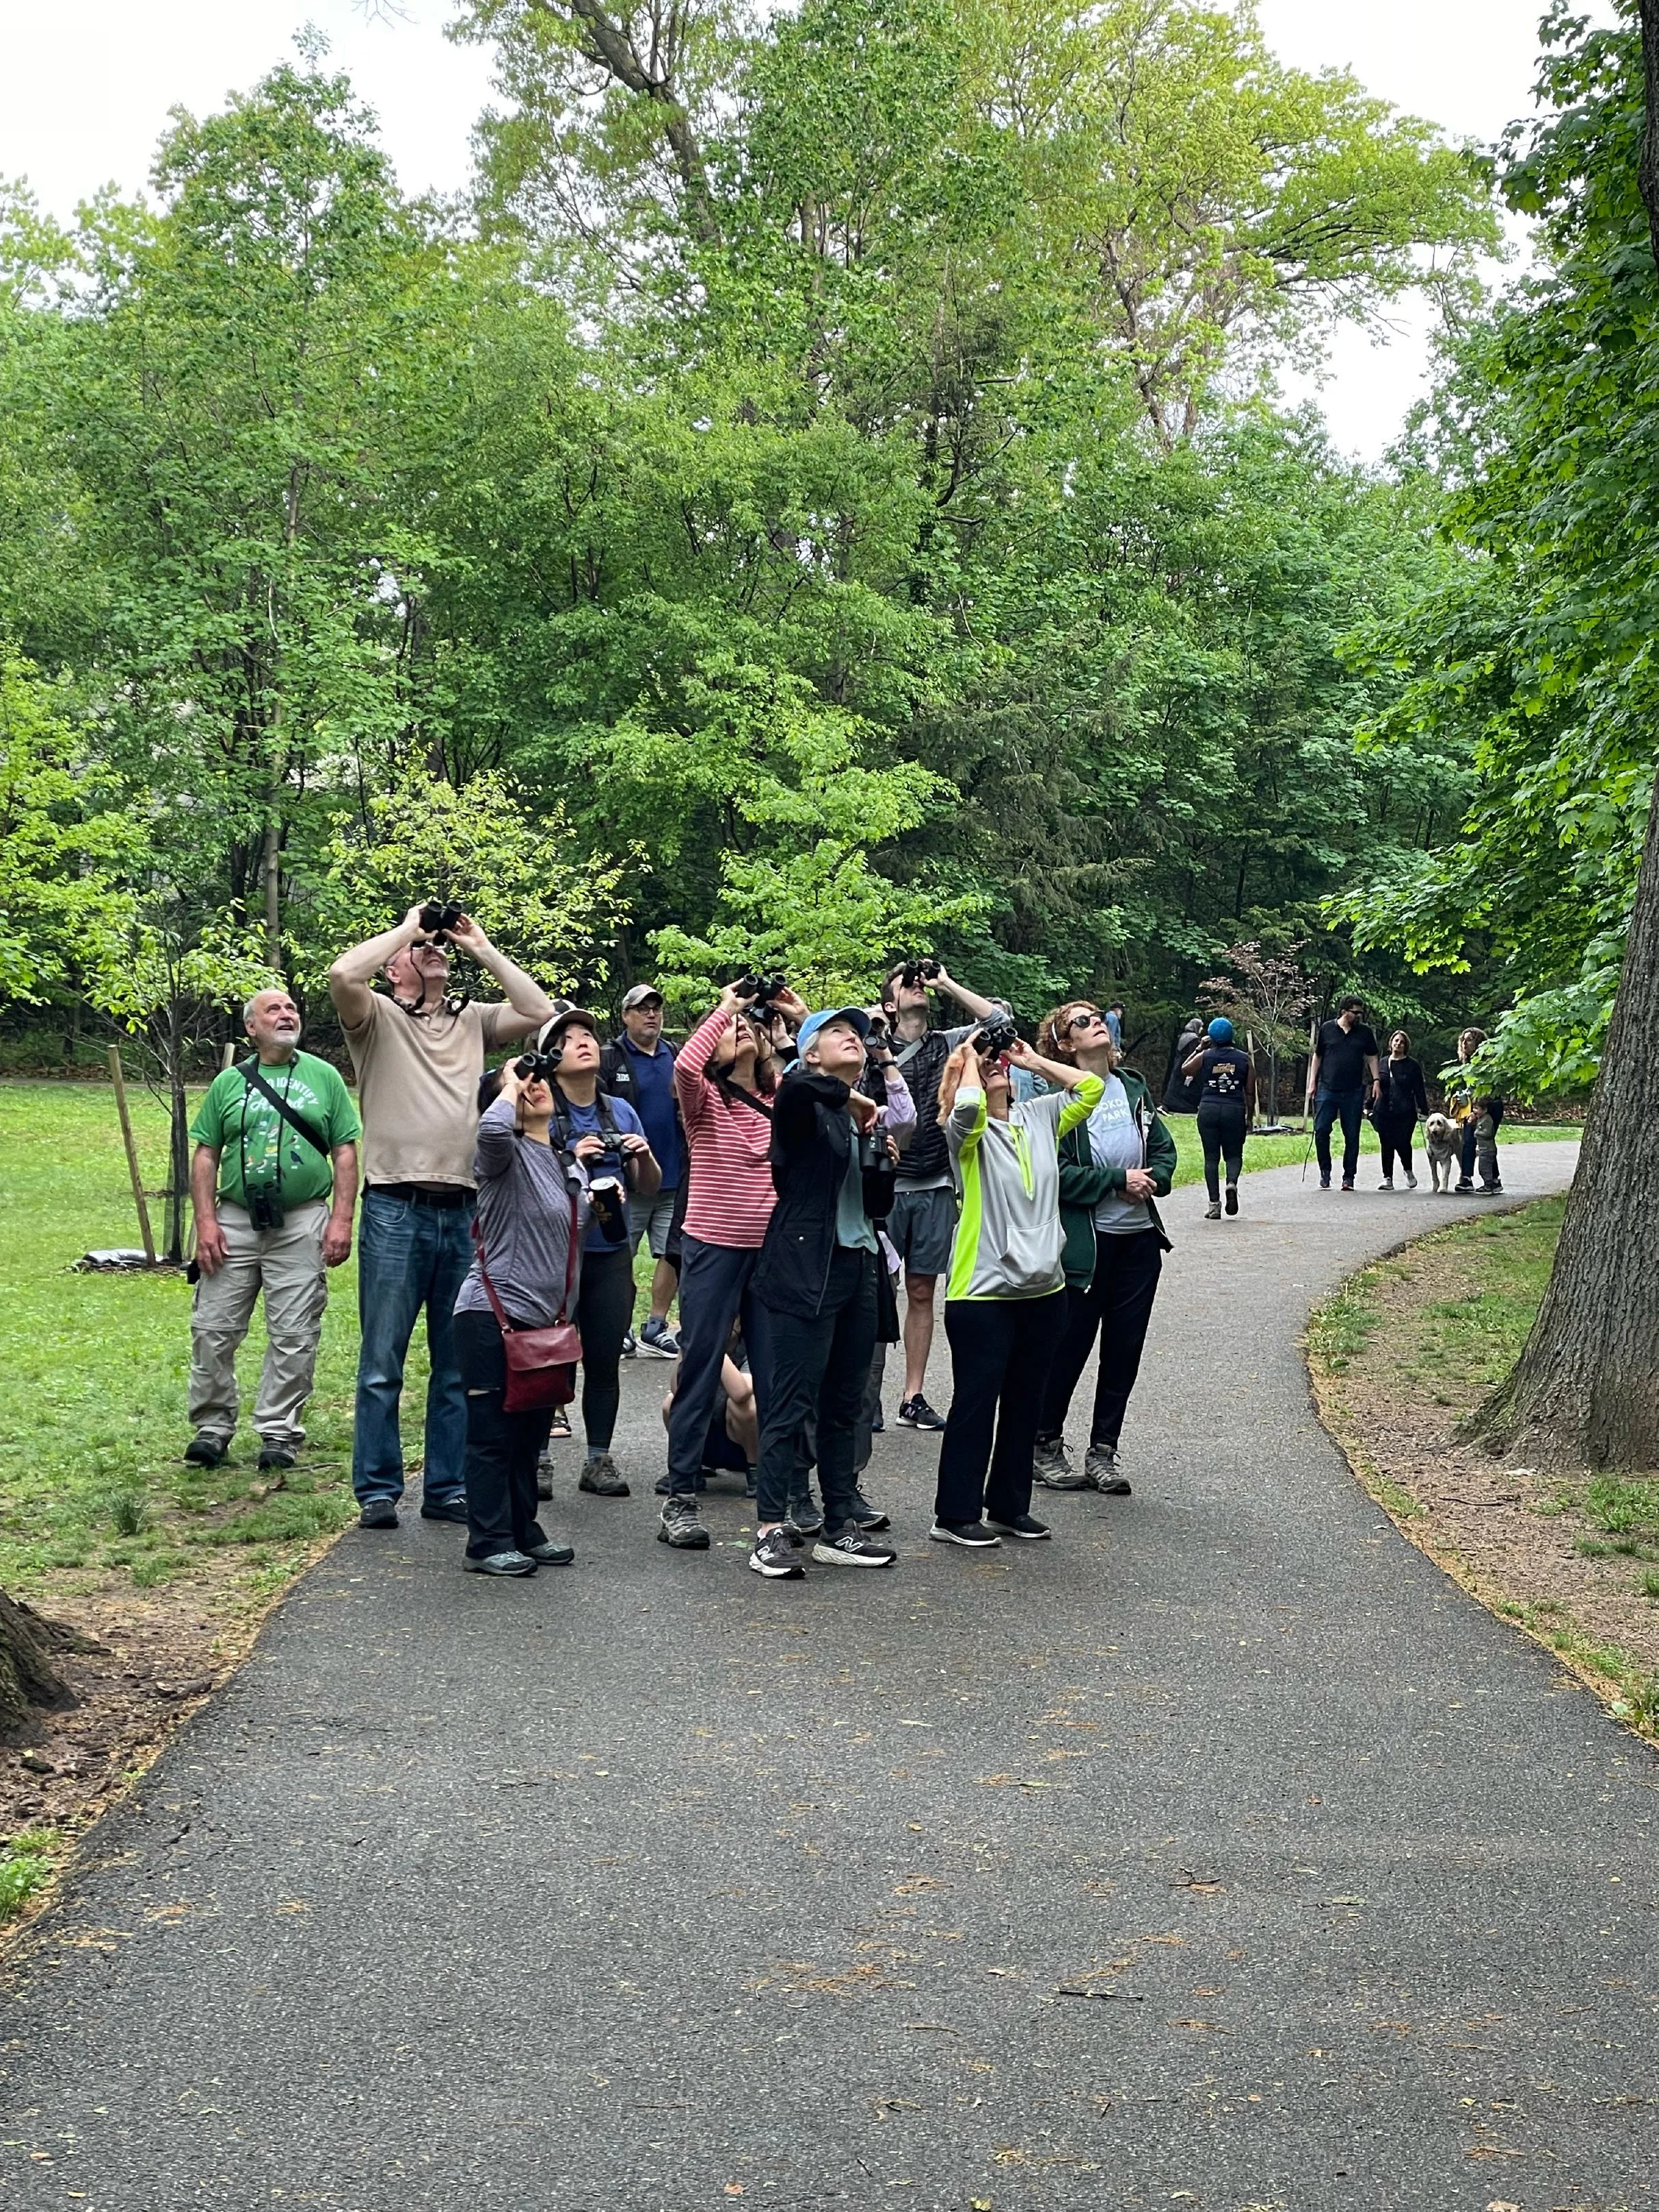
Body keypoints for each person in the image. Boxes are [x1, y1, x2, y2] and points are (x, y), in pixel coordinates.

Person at [330, 906, 554, 1529]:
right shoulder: (375, 1019)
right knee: (383, 1360)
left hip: (465, 1208)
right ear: (396, 964)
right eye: (422, 949)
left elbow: (538, 1013)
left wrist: (479, 943)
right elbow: (343, 974)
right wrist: (408, 929)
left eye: (439, 947)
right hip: (396, 1207)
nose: (435, 950)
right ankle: (377, 1489)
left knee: (457, 1364)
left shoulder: (473, 1021)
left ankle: (447, 1486)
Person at [929, 1028, 1103, 1548]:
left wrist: (1030, 1060)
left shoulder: (1039, 1118)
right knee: (977, 1403)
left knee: (1026, 1401)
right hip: (982, 1292)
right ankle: (954, 1514)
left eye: (997, 1062)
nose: (996, 1066)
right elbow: (963, 1112)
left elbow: (1090, 1088)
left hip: (1043, 1290)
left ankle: (1008, 1506)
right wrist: (966, 1061)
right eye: (988, 1065)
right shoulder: (967, 1132)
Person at [748, 1008, 901, 1579]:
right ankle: (769, 1529)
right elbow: (790, 1088)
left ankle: (839, 1527)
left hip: (858, 1265)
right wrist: (851, 1098)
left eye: (858, 1034)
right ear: (811, 1052)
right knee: (791, 1402)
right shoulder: (803, 1107)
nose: (853, 1039)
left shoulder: (853, 1120)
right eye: (838, 1033)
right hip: (802, 1267)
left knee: (845, 1405)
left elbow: (874, 1204)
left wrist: (882, 1164)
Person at [656, 980, 808, 1549]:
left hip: (771, 1253)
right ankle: (680, 1499)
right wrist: (726, 1007)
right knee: (699, 1372)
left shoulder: (781, 1099)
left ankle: (777, 1504)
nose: (740, 1030)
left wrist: (798, 1018)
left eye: (748, 1027)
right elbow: (686, 1068)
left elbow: (823, 1081)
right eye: (727, 1033)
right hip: (714, 1248)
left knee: (774, 1375)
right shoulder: (705, 1101)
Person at [184, 988, 360, 1475]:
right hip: (235, 1219)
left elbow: (345, 1151)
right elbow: (205, 1154)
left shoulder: (324, 1077)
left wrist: (342, 1219)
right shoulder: (228, 1084)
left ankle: (279, 1432)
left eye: (291, 1009)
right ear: (251, 1028)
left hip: (301, 1219)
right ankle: (212, 1428)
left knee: (294, 1333)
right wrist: (205, 1222)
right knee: (213, 1330)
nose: (287, 1016)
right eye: (274, 1011)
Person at [1031, 1003, 1176, 1496]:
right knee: (1068, 1349)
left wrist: (1154, 1176)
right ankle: (1044, 1444)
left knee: (1124, 1351)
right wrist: (1117, 1180)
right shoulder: (1060, 1102)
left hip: (1139, 1245)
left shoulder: (1133, 1085)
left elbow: (1163, 1145)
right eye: (1082, 1021)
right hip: (1086, 1250)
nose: (1096, 1022)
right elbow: (1056, 1175)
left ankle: (1103, 1452)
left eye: (1098, 1016)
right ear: (1066, 1045)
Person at [452, 1059, 589, 1575]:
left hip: (545, 1323)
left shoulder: (562, 1162)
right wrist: (508, 1083)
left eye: (538, 1082)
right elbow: (489, 1127)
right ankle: (486, 1542)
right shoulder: (500, 1155)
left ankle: (523, 1529)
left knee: (531, 1434)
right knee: (492, 1435)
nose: (534, 1088)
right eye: (518, 1087)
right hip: (492, 1314)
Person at [878, 960, 1012, 1432]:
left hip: (934, 1183)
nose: (918, 988)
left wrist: (947, 982)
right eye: (907, 984)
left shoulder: (948, 1042)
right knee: (875, 1291)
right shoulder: (875, 1044)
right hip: (884, 1185)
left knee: (921, 1290)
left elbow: (999, 1020)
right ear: (889, 1002)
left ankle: (912, 1396)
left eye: (922, 985)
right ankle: (863, 1394)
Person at [542, 1006, 663, 1496]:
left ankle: (599, 1459)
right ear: (550, 1057)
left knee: (604, 1357)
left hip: (609, 1250)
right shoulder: (541, 1108)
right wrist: (572, 1156)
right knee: (549, 1357)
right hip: (554, 1253)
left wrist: (644, 1155)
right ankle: (539, 1458)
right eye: (569, 1038)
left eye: (587, 1034)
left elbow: (649, 1188)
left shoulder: (620, 1110)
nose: (583, 1042)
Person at [601, 984, 684, 1356]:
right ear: (626, 1015)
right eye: (642, 1008)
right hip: (627, 1182)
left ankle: (655, 1325)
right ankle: (618, 1326)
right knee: (619, 1256)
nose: (651, 1014)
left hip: (675, 1177)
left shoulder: (677, 1056)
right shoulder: (610, 1058)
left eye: (656, 1008)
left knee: (673, 1254)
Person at [1183, 1015, 1255, 1219]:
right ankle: (1232, 1182)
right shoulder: (1244, 1059)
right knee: (1234, 1154)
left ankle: (1214, 1205)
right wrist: (1249, 1117)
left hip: (1209, 1109)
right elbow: (1250, 1091)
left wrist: (1200, 1048)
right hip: (1234, 1109)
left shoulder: (1206, 1056)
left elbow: (1185, 1070)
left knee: (1211, 1158)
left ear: (1211, 1037)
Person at [1307, 995, 1379, 1193]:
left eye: (1360, 1013)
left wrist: (1376, 1081)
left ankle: (1349, 1177)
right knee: (1321, 1130)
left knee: (1352, 1134)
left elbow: (1373, 1056)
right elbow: (1318, 1055)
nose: (1359, 1016)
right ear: (1344, 1011)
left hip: (1354, 1090)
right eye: (1355, 1012)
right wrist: (1312, 1082)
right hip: (1327, 1088)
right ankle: (1325, 1171)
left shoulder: (1364, 1033)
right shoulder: (1327, 1029)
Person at [1447, 1028, 1504, 1194]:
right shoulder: (1467, 1063)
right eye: (1463, 1040)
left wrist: (1478, 1112)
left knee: (1485, 1143)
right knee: (1468, 1141)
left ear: (1478, 1043)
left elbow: (1488, 1090)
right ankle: (1466, 1178)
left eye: (1470, 1040)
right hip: (1473, 1107)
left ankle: (1492, 1180)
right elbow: (1471, 1088)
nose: (1465, 1043)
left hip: (1490, 1106)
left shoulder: (1487, 1063)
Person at [1372, 1030, 1429, 1191]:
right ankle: (1387, 1178)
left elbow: (1419, 1089)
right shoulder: (1382, 1063)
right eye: (1396, 1041)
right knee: (1386, 1143)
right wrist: (1368, 1105)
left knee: (1403, 1141)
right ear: (1391, 1043)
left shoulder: (1412, 1065)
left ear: (1406, 1046)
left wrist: (1424, 1109)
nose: (1398, 1044)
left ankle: (1408, 1170)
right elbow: (1375, 1085)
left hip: (1406, 1111)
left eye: (1401, 1042)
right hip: (1383, 1110)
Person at [1162, 1014, 1205, 1114]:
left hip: (1178, 1064)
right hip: (1186, 1065)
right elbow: (1192, 1053)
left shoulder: (1183, 1036)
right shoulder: (1193, 1038)